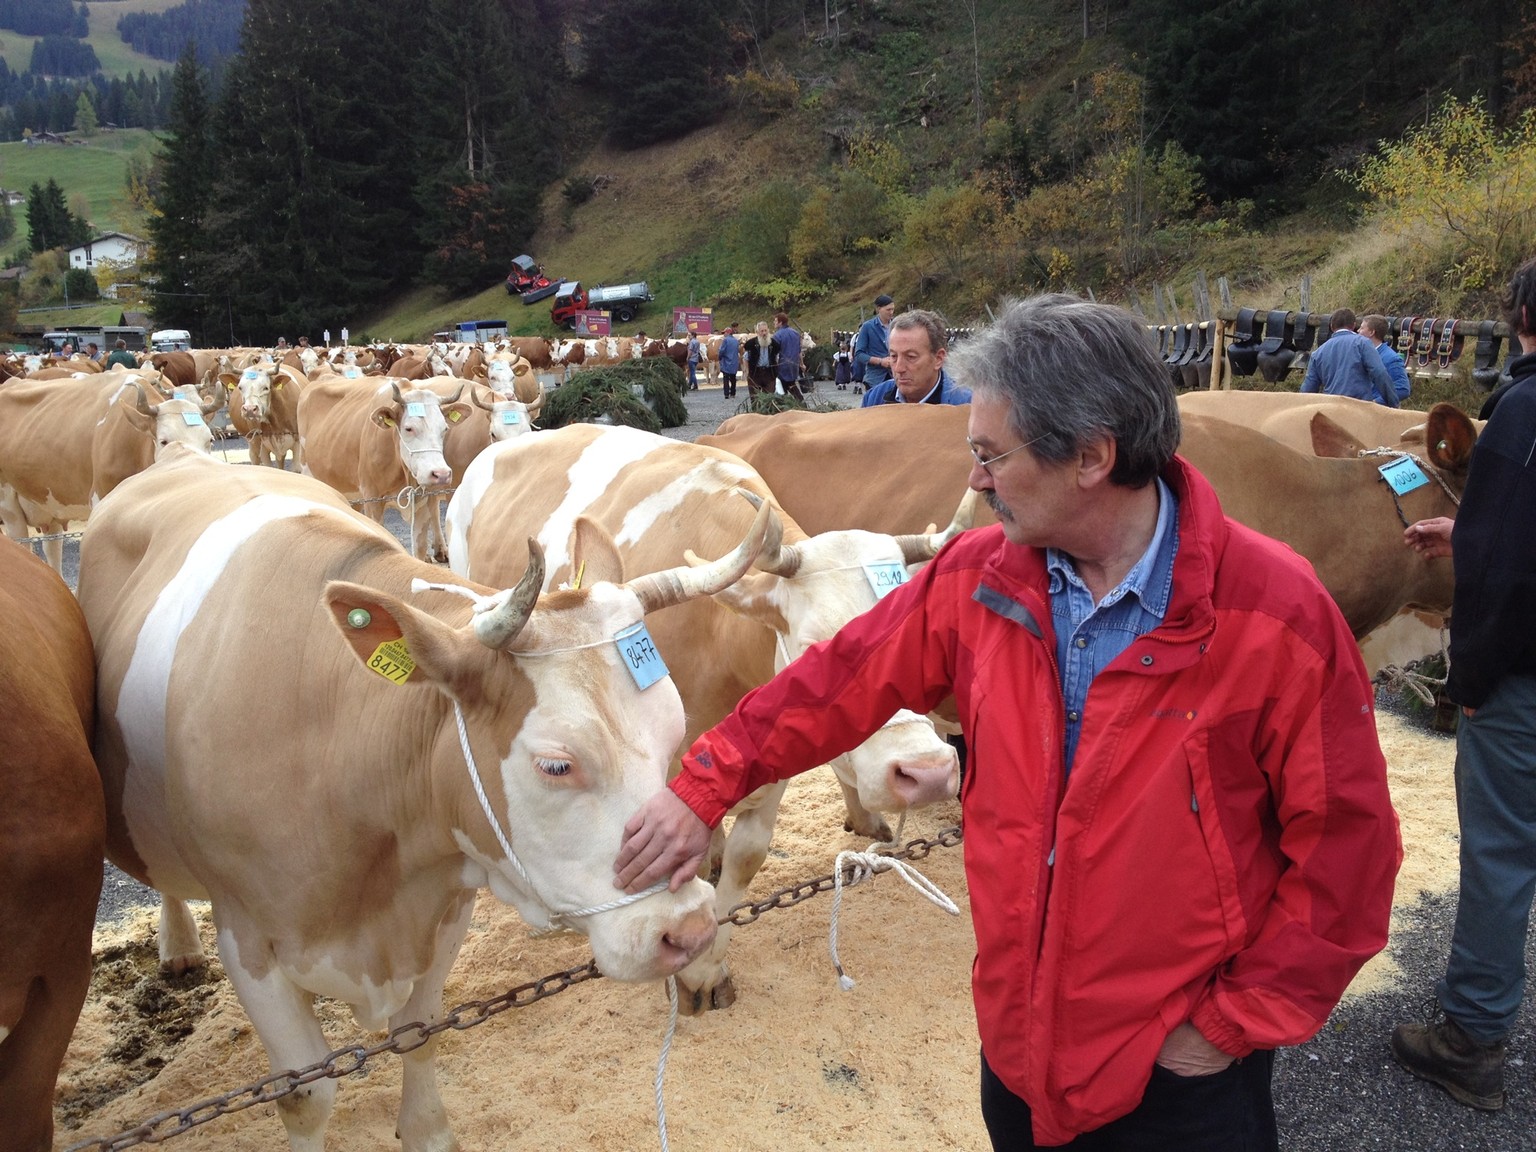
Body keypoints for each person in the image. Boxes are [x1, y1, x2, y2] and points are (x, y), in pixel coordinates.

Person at [614, 293, 1400, 1151]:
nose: (976, 480)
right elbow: (836, 680)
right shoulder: (980, 577)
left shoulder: (1276, 613)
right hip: (1017, 1051)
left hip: (1182, 1087)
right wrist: (703, 787)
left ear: (1092, 457)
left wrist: (1227, 1028)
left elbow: (1348, 856)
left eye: (991, 455)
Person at [1391, 258, 1536, 1112]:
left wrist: (1469, 679)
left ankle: (1472, 1037)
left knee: (1500, 854)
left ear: (1520, 314)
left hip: (1523, 680)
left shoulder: (1523, 407)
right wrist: (1473, 532)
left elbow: (1519, 578)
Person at [860, 310, 972, 407]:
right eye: (893, 356)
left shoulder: (967, 406)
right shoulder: (874, 399)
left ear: (938, 359)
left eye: (910, 357)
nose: (899, 368)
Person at [1298, 307, 1399, 406]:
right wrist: (1393, 402)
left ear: (1332, 326)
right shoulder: (1363, 343)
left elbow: (1308, 390)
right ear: (1354, 325)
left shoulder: (1318, 353)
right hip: (1359, 408)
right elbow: (1379, 373)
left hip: (1331, 409)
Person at [1361, 314, 1411, 402]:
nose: (1358, 331)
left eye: (1361, 328)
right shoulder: (1361, 354)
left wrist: (1376, 403)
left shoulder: (1391, 358)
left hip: (1377, 412)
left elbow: (1402, 389)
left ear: (1371, 332)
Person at [853, 293, 896, 393]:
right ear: (878, 309)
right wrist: (880, 361)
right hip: (875, 379)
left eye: (893, 309)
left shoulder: (897, 325)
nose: (891, 312)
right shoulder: (867, 327)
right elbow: (859, 354)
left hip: (896, 377)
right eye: (888, 310)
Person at [740, 321, 780, 399]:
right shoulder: (751, 344)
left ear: (768, 331)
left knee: (769, 398)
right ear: (758, 332)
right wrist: (747, 371)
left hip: (769, 374)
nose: (764, 333)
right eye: (762, 331)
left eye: (765, 330)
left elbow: (777, 357)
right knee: (755, 398)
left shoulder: (773, 344)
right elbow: (745, 358)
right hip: (755, 374)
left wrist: (776, 370)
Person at [773, 311, 804, 400]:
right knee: (791, 384)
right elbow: (799, 351)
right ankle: (798, 401)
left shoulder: (777, 335)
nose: (774, 323)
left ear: (780, 322)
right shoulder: (796, 333)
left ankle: (797, 402)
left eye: (775, 321)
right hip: (794, 364)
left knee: (784, 386)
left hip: (783, 364)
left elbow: (774, 353)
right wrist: (801, 363)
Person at [718, 325, 742, 398]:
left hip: (726, 362)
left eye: (724, 333)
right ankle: (733, 393)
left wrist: (720, 357)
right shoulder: (736, 341)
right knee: (733, 378)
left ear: (727, 333)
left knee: (726, 378)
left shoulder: (725, 340)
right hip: (734, 362)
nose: (724, 334)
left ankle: (726, 394)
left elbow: (722, 350)